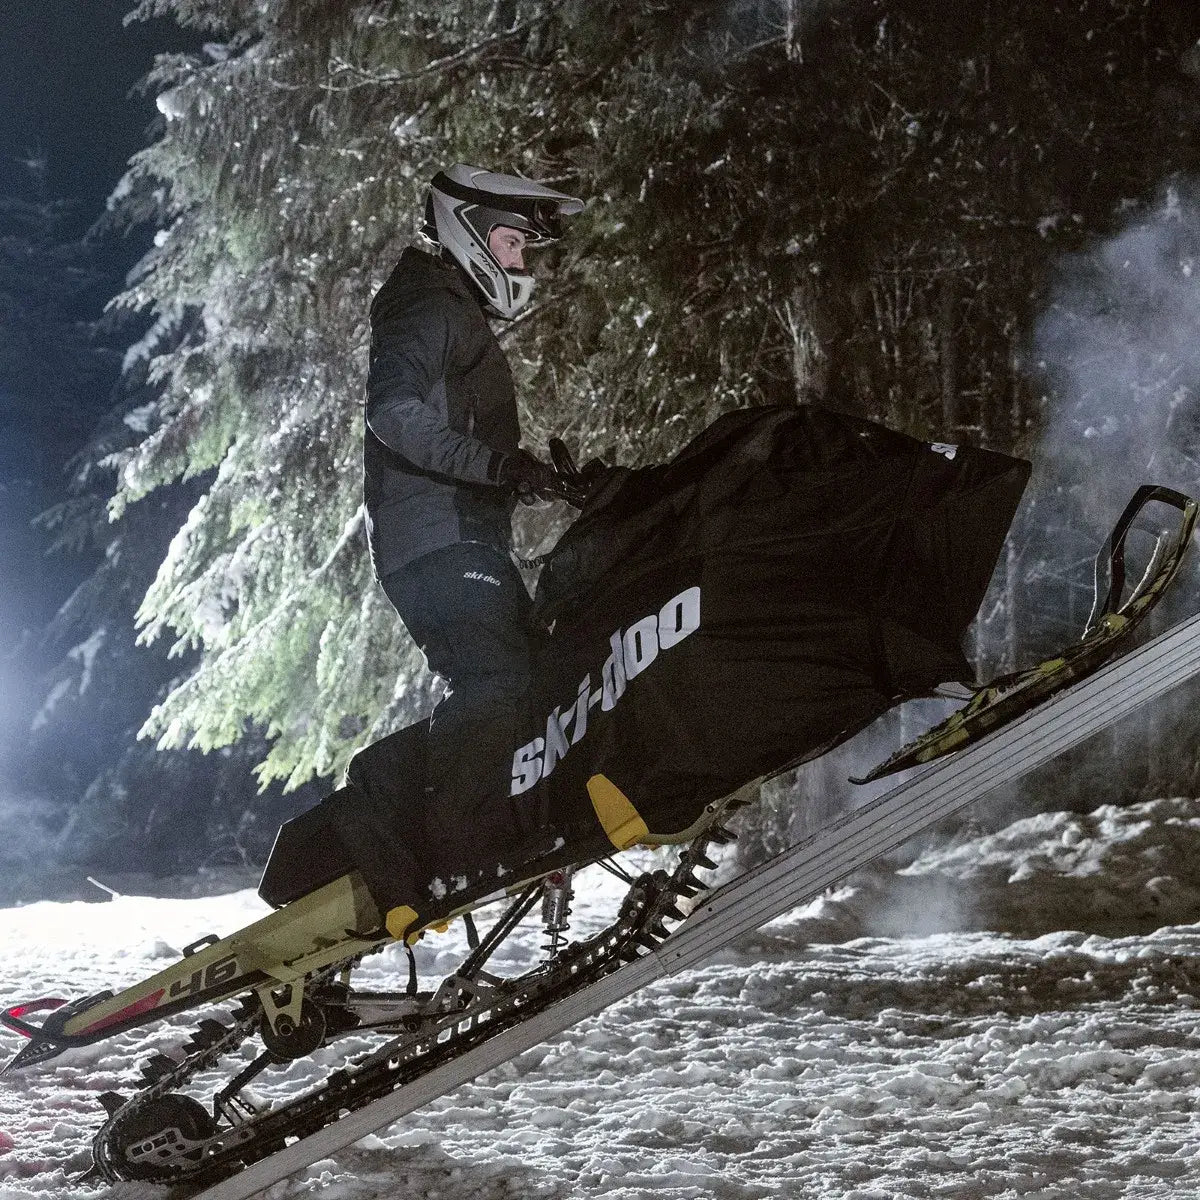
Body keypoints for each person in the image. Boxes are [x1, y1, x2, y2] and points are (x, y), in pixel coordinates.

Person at [363, 163, 583, 823]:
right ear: (470, 231)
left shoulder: (450, 309)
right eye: (514, 244)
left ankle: (515, 826)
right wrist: (497, 467)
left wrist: (530, 476)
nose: (522, 263)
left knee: (539, 680)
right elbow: (393, 412)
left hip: (460, 539)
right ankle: (444, 838)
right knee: (499, 682)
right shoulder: (428, 305)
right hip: (435, 540)